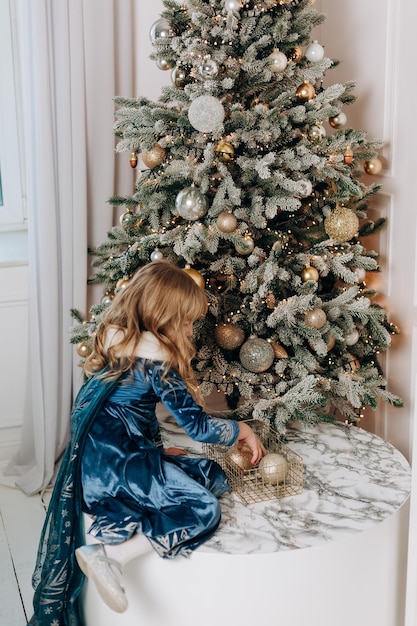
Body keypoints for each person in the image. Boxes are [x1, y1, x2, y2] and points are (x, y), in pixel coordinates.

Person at [28, 260, 265, 626]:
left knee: (211, 473)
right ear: (163, 316)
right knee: (204, 509)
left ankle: (128, 523)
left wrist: (153, 451)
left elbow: (125, 417)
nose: (190, 329)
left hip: (102, 459)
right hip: (113, 467)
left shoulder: (119, 344)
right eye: (186, 321)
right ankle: (110, 555)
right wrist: (242, 431)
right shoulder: (158, 361)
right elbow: (198, 427)